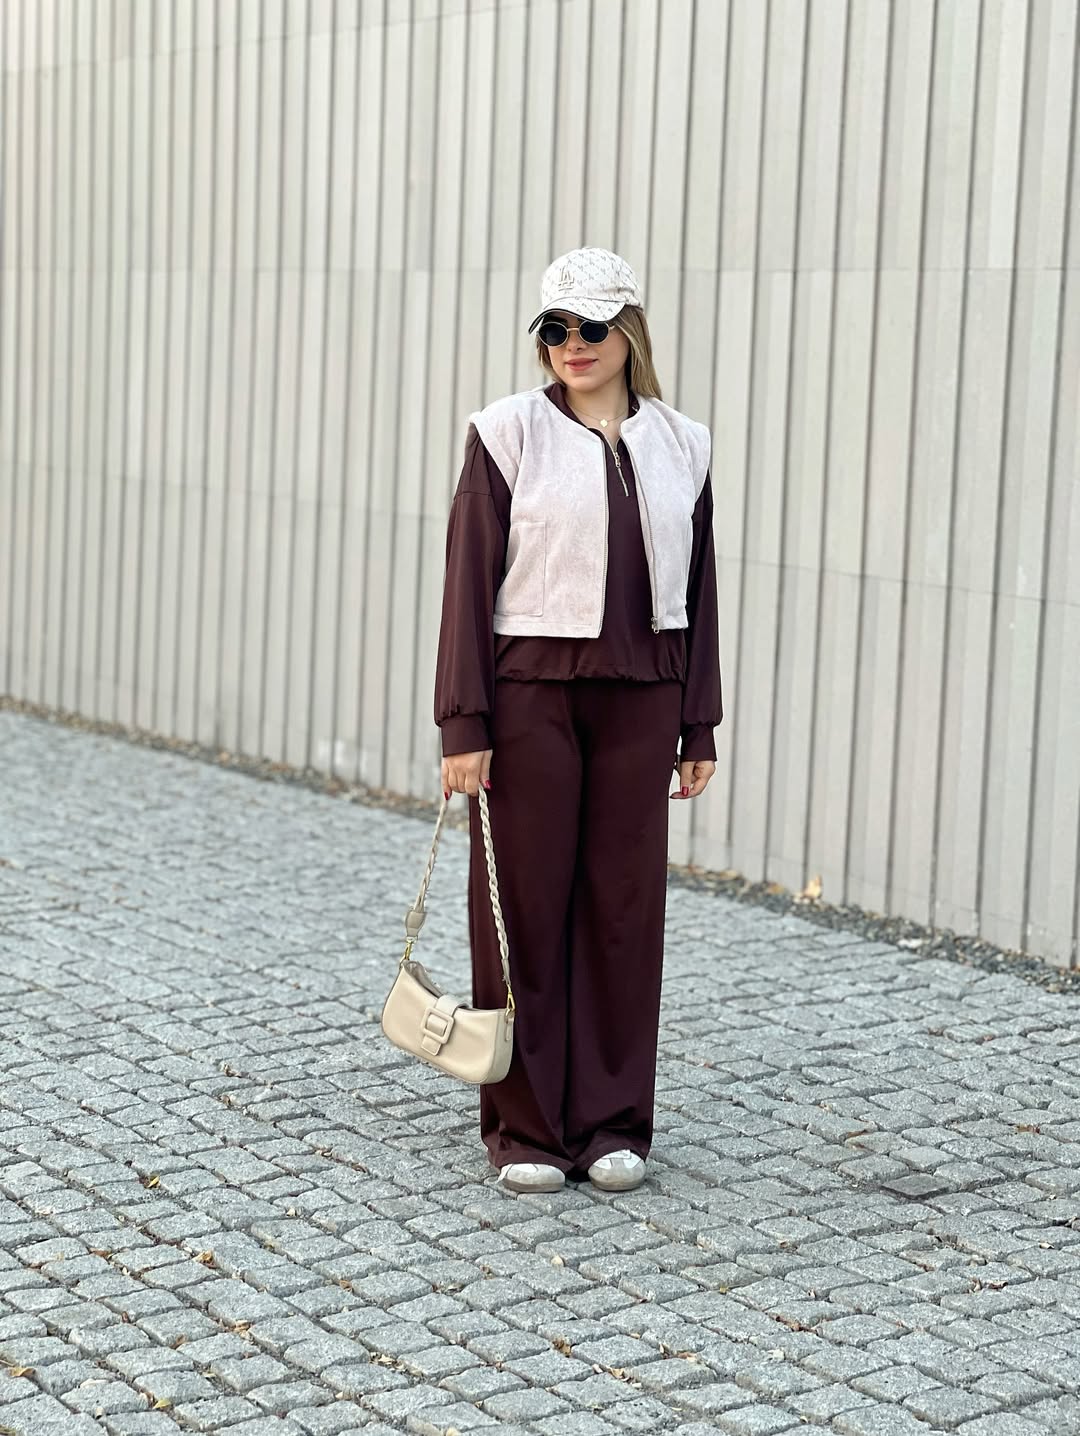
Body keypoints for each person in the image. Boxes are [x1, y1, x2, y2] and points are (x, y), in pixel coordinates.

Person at [434, 247, 722, 1194]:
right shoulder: (505, 433)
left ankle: (610, 1124)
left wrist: (698, 725)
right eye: (555, 329)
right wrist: (464, 723)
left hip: (644, 700)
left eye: (591, 327)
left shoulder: (685, 444)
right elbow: (468, 582)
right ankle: (526, 1127)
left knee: (622, 914)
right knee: (522, 910)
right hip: (528, 702)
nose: (573, 345)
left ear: (628, 331)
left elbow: (701, 592)